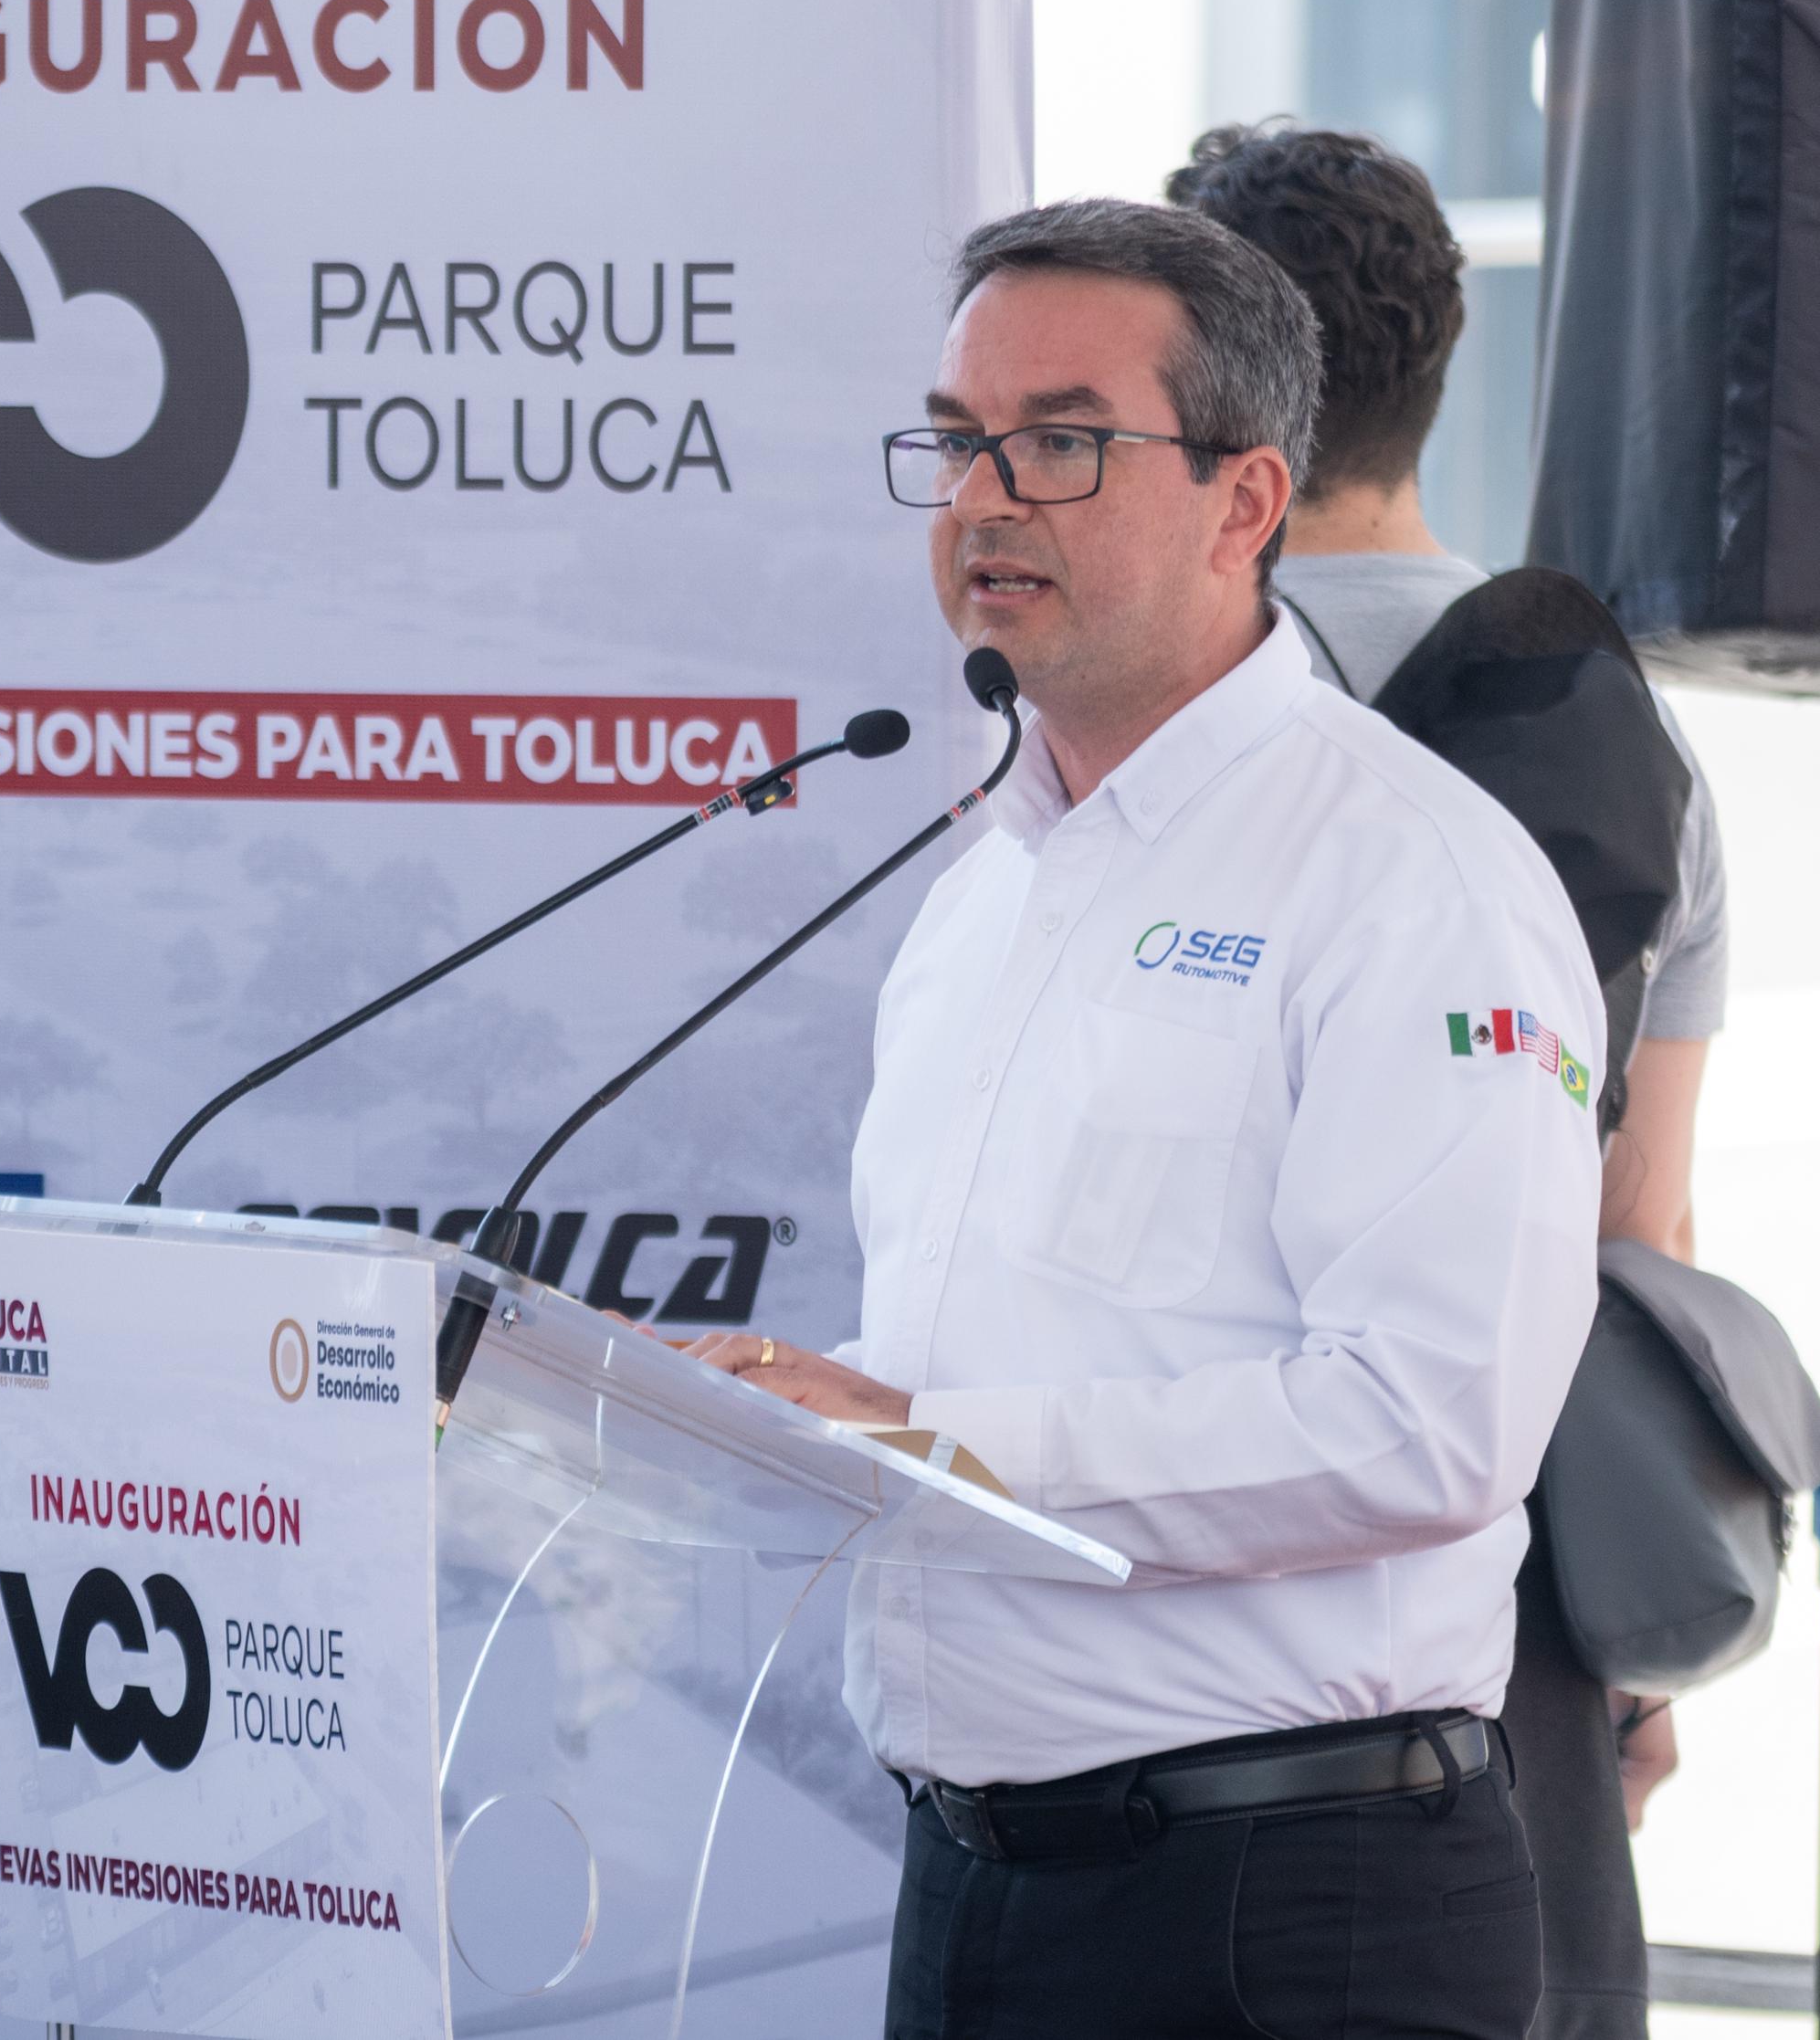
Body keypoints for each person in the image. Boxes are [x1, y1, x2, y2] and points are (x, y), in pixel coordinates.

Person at [682, 197, 1604, 2040]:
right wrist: (783, 1426)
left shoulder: (1413, 875)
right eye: (956, 440)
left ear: (1244, 501)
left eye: (1060, 442)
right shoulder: (981, 897)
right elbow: (1008, 1361)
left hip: (1286, 1908)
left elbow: (1432, 1420)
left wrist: (932, 1441)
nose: (982, 498)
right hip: (970, 1882)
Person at [1172, 121, 1731, 2040]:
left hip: (1193, 1586)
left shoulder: (1151, 710)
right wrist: (1624, 1634)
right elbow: (1636, 1227)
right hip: (1517, 1602)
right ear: (1442, 363)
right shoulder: (1624, 730)